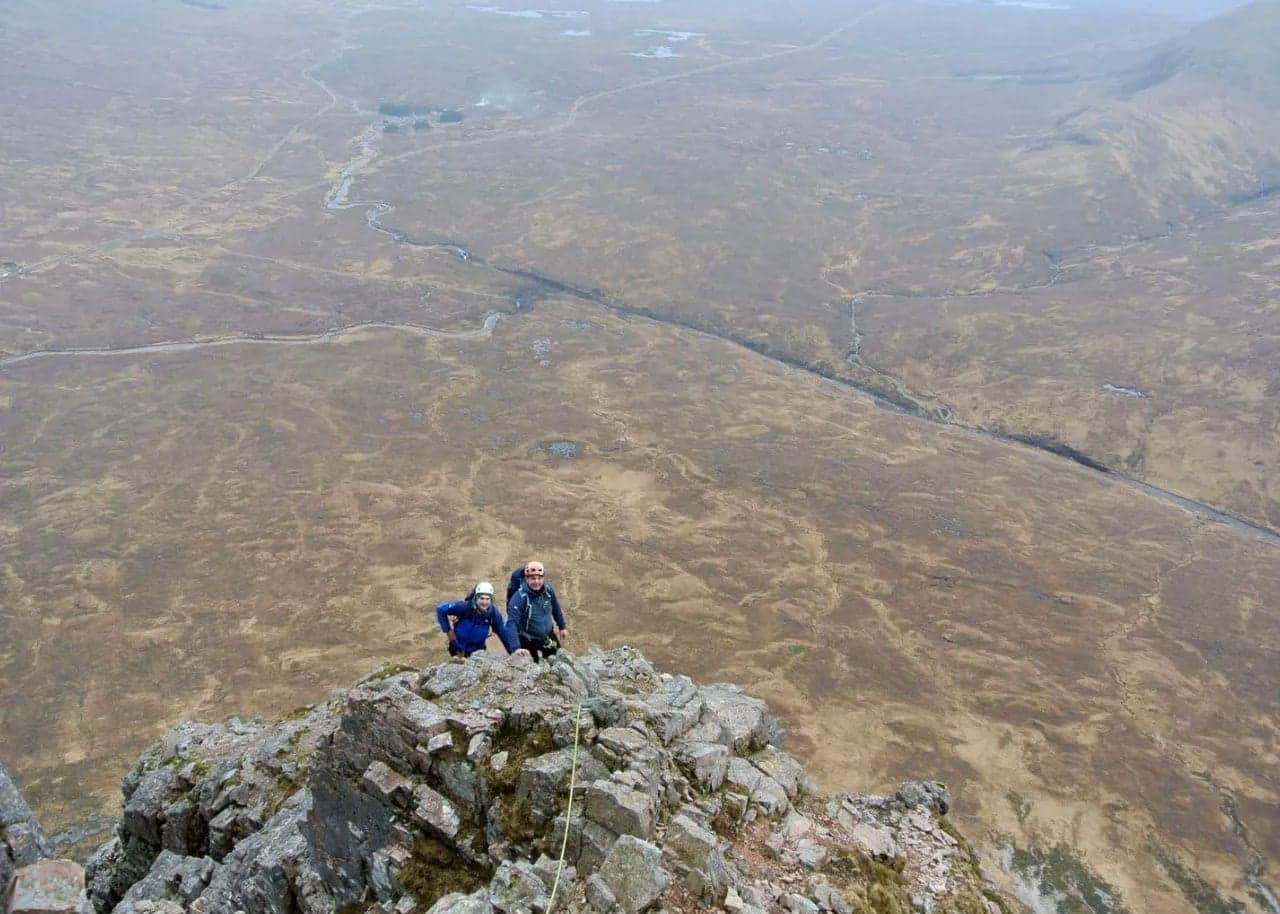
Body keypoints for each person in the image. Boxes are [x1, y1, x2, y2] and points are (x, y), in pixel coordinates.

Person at [435, 582, 524, 658]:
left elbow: (503, 632)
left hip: (476, 653)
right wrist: (448, 631)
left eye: (487, 599)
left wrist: (514, 650)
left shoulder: (493, 613)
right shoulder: (465, 607)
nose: (484, 602)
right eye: (482, 598)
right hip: (457, 649)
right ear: (476, 597)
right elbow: (441, 609)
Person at [505, 560, 568, 662]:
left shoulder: (548, 590)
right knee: (533, 667)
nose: (536, 582)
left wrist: (562, 626)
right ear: (526, 579)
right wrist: (516, 648)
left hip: (547, 636)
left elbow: (555, 607)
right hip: (527, 640)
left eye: (539, 578)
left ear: (543, 578)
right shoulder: (519, 598)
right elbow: (511, 623)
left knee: (558, 662)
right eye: (533, 578)